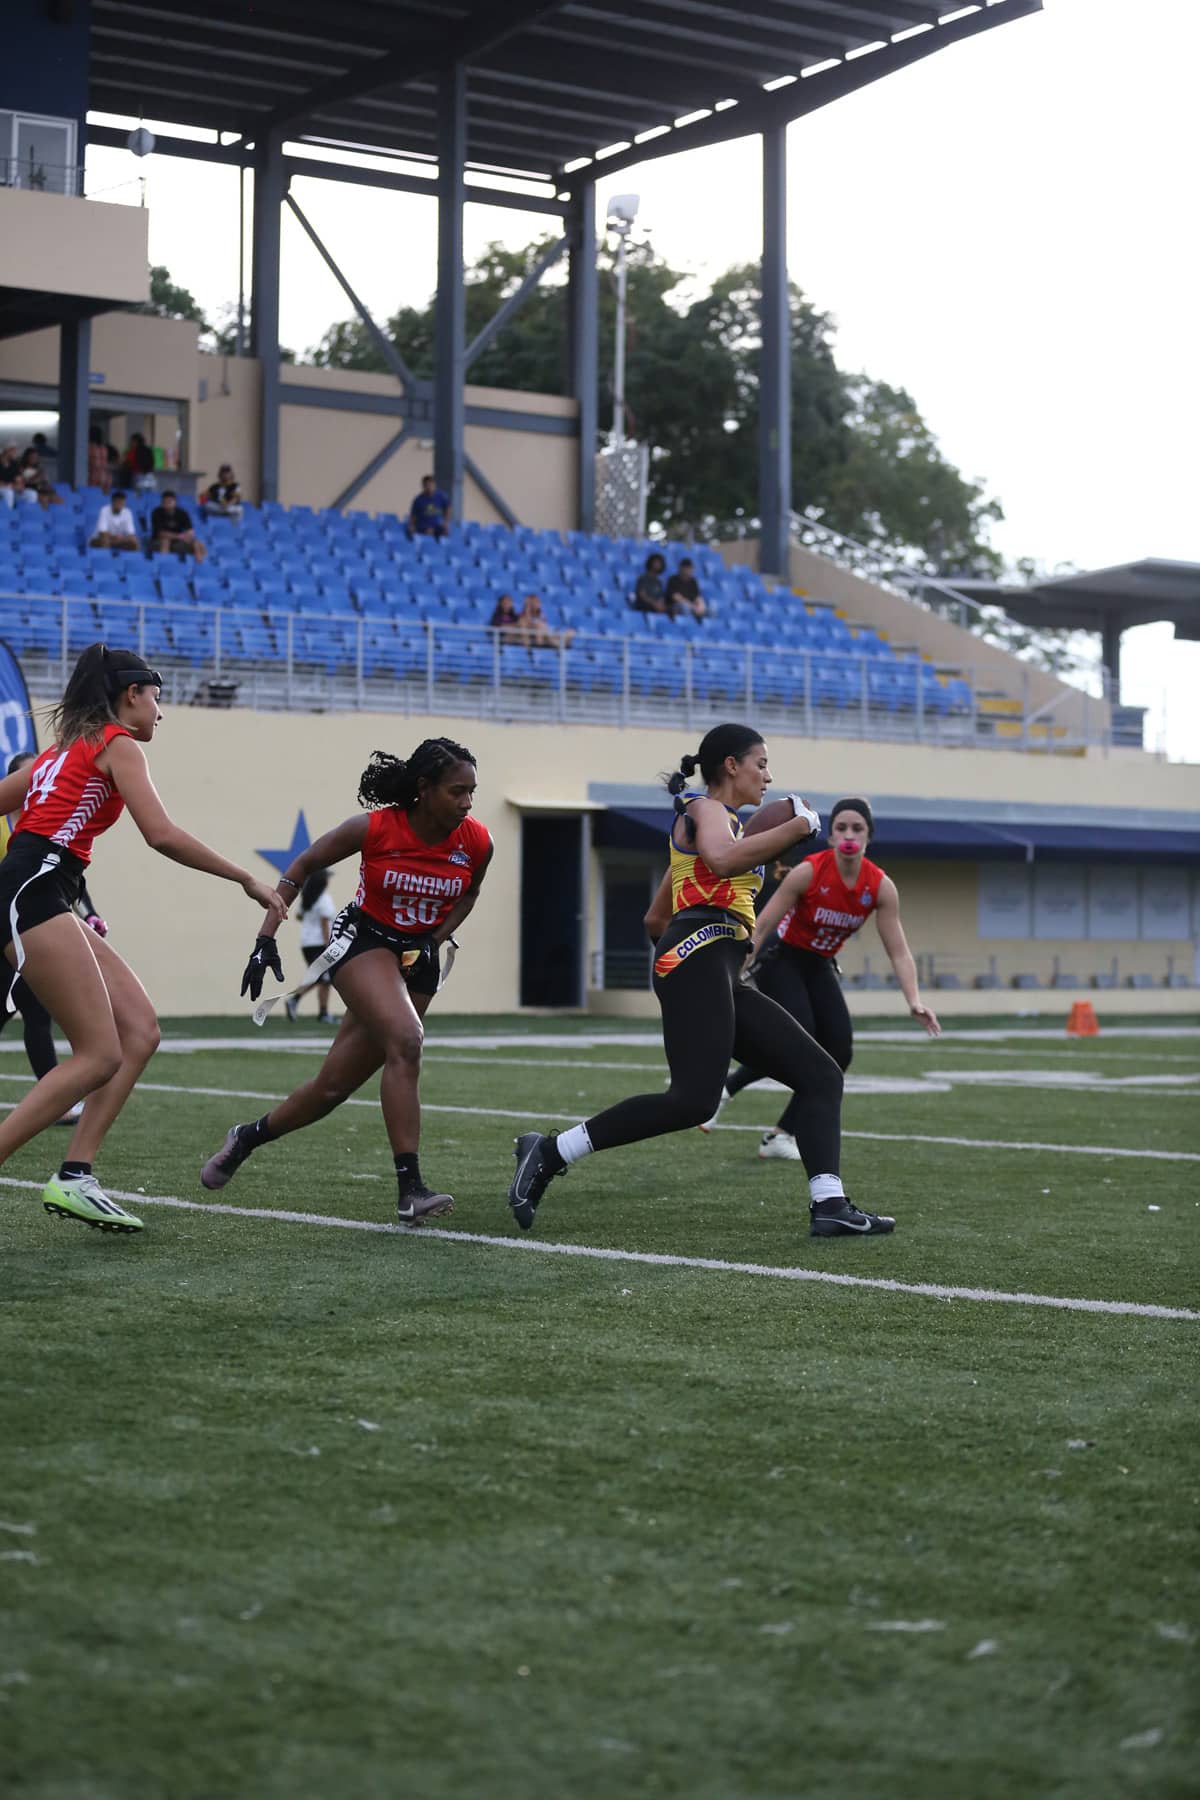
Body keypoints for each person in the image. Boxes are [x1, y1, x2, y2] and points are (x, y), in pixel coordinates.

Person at [507, 723, 895, 1239]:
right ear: (731, 766)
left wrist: (690, 963)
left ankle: (830, 1204)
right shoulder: (706, 810)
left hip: (711, 963)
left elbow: (655, 918)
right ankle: (551, 1150)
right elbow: (723, 860)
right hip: (700, 957)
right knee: (693, 1100)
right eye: (761, 764)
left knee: (822, 1075)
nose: (768, 776)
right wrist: (798, 827)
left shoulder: (720, 825)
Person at [0, 644, 285, 1233]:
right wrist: (245, 879)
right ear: (132, 695)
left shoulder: (61, 751)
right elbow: (161, 834)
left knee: (139, 1031)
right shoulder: (117, 744)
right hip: (34, 888)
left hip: (39, 888)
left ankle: (76, 1174)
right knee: (100, 1053)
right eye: (157, 698)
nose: (160, 711)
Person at [201, 738, 493, 1224]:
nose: (467, 803)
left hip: (418, 955)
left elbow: (470, 894)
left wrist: (436, 938)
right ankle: (410, 1189)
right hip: (365, 941)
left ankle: (246, 1138)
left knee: (332, 1088)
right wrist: (266, 936)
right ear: (424, 788)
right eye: (457, 791)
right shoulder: (375, 827)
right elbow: (302, 866)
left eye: (472, 792)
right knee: (407, 1039)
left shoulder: (478, 841)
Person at [706, 798, 941, 1158]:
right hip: (782, 959)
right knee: (802, 1035)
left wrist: (914, 1001)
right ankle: (725, 1088)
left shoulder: (880, 886)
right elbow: (763, 925)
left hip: (819, 964)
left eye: (857, 828)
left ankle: (781, 1135)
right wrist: (730, 975)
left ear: (869, 836)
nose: (849, 835)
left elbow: (899, 951)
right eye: (841, 828)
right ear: (830, 837)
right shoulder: (809, 872)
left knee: (839, 1052)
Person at [0, 751, 108, 1126]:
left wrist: (89, 913)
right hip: (9, 922)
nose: (43, 779)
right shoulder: (9, 827)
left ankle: (57, 1100)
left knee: (36, 1012)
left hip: (31, 925)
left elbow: (69, 879)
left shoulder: (49, 822)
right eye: (32, 774)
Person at [285, 869, 336, 1025]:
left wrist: (310, 921)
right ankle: (295, 999)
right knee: (322, 977)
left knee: (324, 978)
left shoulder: (307, 898)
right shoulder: (324, 899)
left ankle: (323, 1012)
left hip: (307, 943)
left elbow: (299, 916)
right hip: (320, 943)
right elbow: (324, 924)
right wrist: (329, 945)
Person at [150, 491, 207, 562]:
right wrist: (179, 536)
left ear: (175, 502)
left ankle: (201, 565)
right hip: (158, 540)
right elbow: (161, 534)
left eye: (169, 501)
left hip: (177, 542)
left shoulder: (182, 513)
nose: (167, 504)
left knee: (199, 544)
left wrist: (187, 537)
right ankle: (164, 564)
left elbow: (190, 531)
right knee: (165, 541)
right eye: (164, 502)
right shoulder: (157, 513)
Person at [665, 557, 708, 623]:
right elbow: (676, 597)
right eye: (687, 568)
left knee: (710, 610)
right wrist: (692, 606)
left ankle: (701, 627)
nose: (689, 570)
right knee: (685, 607)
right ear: (681, 568)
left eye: (690, 568)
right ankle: (687, 625)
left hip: (692, 606)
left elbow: (697, 597)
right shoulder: (673, 580)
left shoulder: (693, 582)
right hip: (676, 606)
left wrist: (701, 606)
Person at [409, 475, 451, 539]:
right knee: (429, 531)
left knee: (446, 531)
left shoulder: (441, 496)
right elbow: (413, 515)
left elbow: (448, 507)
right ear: (423, 486)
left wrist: (446, 522)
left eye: (431, 485)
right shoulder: (418, 499)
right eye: (427, 485)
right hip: (424, 526)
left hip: (437, 526)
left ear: (434, 485)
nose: (429, 487)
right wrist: (412, 526)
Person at [87, 426, 113, 494]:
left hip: (93, 476)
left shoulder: (90, 447)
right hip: (104, 476)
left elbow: (94, 464)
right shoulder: (104, 448)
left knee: (93, 495)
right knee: (102, 496)